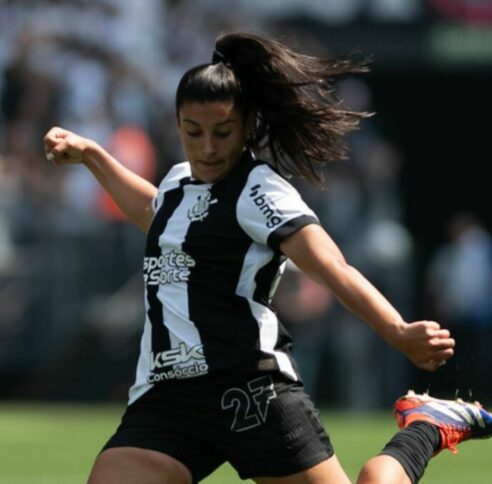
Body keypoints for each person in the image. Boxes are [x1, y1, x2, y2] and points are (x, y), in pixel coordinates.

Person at [43, 32, 492, 484]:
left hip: (249, 391)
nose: (207, 148)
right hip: (168, 398)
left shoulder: (259, 192)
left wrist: (397, 330)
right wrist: (93, 156)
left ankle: (426, 426)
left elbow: (333, 268)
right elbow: (153, 210)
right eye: (192, 132)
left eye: (222, 132)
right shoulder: (179, 183)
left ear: (247, 126)